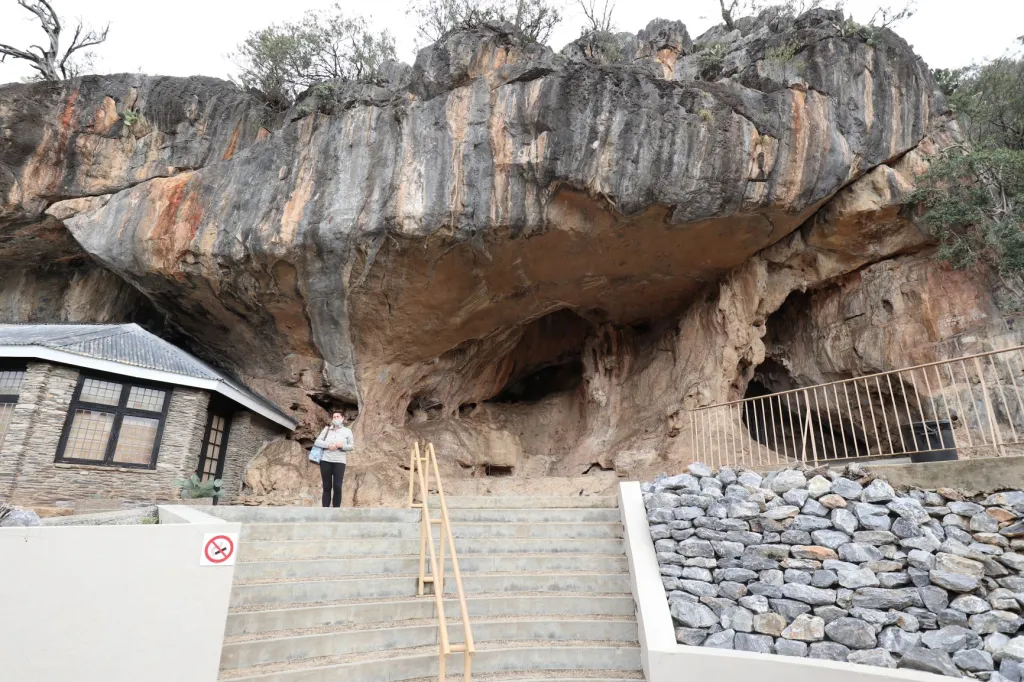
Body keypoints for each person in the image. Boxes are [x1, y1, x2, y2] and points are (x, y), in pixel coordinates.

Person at [313, 411, 354, 507]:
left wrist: (342, 446)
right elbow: (317, 442)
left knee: (337, 486)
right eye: (334, 417)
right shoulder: (327, 429)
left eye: (338, 416)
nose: (335, 418)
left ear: (342, 418)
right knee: (326, 486)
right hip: (325, 460)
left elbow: (351, 446)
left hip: (339, 461)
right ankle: (325, 512)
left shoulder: (347, 431)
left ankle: (336, 511)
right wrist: (328, 445)